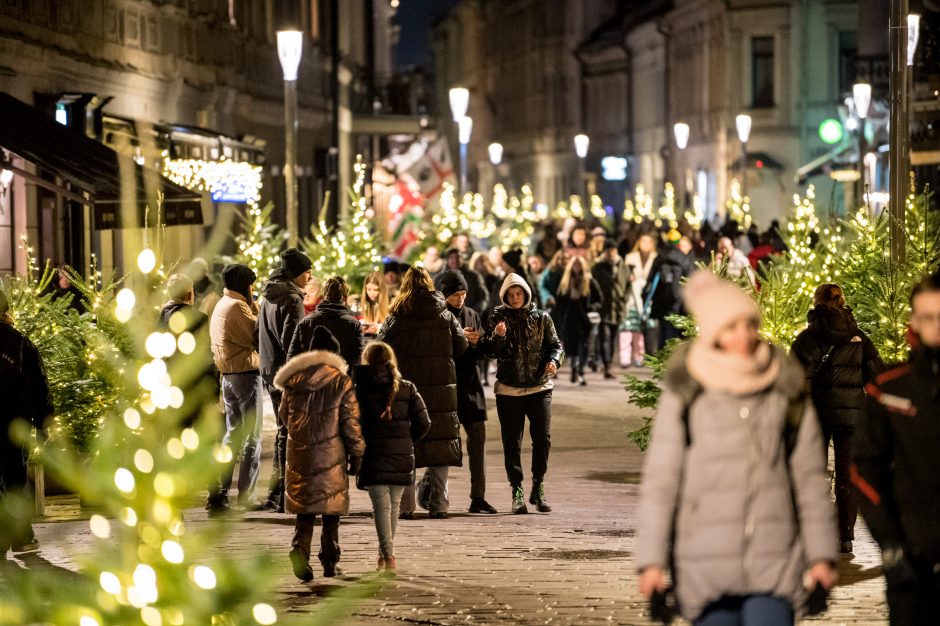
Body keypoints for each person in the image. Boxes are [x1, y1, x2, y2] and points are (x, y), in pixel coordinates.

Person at [636, 271, 838, 625]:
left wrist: (822, 555)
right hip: (705, 563)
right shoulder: (688, 387)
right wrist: (651, 562)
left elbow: (808, 477)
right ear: (713, 332)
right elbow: (661, 481)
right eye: (731, 327)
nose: (743, 336)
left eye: (749, 325)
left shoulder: (783, 382)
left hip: (775, 561)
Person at [852, 272, 940, 625]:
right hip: (911, 556)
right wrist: (890, 541)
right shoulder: (890, 388)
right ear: (914, 321)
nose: (936, 327)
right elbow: (864, 467)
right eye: (928, 317)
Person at [790, 283, 882, 554]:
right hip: (852, 415)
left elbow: (794, 379)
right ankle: (845, 536)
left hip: (816, 415)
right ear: (842, 302)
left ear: (816, 303)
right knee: (847, 474)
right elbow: (877, 377)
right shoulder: (859, 338)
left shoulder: (808, 338)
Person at [275, 326, 364, 582]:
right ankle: (329, 560)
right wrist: (357, 455)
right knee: (331, 511)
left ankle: (299, 550)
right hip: (331, 453)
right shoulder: (341, 381)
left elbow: (284, 417)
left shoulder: (292, 381)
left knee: (305, 511)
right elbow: (351, 423)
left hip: (300, 453)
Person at [378, 266, 468, 519]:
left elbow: (380, 347)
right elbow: (461, 347)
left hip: (408, 390)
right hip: (441, 390)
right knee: (440, 446)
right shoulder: (444, 315)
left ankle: (406, 506)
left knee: (408, 445)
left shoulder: (397, 316)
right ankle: (440, 504)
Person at [487, 273, 563, 514]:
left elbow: (556, 346)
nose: (516, 297)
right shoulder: (498, 317)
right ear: (505, 296)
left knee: (543, 438)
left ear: (527, 293)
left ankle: (538, 486)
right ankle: (517, 489)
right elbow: (490, 351)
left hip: (539, 387)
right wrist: (498, 337)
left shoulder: (542, 318)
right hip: (509, 390)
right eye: (511, 294)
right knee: (512, 442)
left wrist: (554, 361)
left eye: (519, 293)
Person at [353, 341, 431, 574]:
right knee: (393, 506)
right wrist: (407, 440)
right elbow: (424, 422)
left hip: (373, 454)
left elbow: (352, 422)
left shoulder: (360, 389)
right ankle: (385, 554)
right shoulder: (406, 387)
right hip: (401, 455)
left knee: (380, 507)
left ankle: (387, 554)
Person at [257, 248, 312, 512]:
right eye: (306, 273)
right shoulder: (291, 300)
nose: (310, 278)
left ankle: (275, 493)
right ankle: (283, 495)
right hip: (285, 373)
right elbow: (294, 340)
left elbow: (257, 333)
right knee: (289, 433)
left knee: (283, 430)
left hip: (268, 369)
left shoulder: (268, 296)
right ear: (295, 275)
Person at [440, 270, 498, 514]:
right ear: (445, 295)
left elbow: (483, 351)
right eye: (455, 295)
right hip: (447, 386)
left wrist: (479, 342)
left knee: (477, 442)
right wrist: (460, 339)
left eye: (463, 294)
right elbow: (439, 350)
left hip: (471, 386)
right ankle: (433, 493)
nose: (460, 299)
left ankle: (478, 496)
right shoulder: (439, 316)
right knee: (441, 445)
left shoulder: (472, 314)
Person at [0, 290, 53, 555]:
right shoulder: (20, 343)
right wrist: (43, 423)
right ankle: (21, 536)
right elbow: (39, 385)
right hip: (14, 423)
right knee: (16, 478)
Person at [207, 264, 263, 515]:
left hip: (228, 375)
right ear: (244, 284)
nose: (253, 289)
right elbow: (256, 336)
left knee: (232, 435)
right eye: (251, 284)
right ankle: (246, 496)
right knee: (251, 437)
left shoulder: (221, 303)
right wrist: (257, 309)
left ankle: (219, 491)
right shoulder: (238, 307)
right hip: (245, 374)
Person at [289, 276, 363, 369]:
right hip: (341, 380)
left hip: (312, 380)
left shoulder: (305, 322)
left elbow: (292, 360)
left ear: (324, 296)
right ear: (345, 298)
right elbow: (356, 362)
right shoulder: (354, 325)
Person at [553, 256, 602, 385]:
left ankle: (580, 372)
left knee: (584, 345)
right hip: (570, 318)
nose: (576, 266)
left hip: (584, 318)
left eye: (579, 264)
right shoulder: (565, 281)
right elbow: (559, 301)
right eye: (574, 264)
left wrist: (592, 307)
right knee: (572, 345)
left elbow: (599, 299)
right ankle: (574, 368)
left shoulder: (589, 281)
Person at [591, 240, 629, 378]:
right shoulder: (597, 267)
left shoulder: (623, 266)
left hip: (618, 308)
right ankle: (606, 365)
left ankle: (609, 363)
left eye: (613, 250)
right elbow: (591, 286)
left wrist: (625, 298)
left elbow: (628, 284)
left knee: (613, 338)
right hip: (604, 308)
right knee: (604, 337)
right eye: (608, 251)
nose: (610, 254)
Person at [622, 234, 659, 366]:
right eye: (643, 241)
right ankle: (627, 357)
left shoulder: (656, 257)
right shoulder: (630, 257)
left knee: (647, 327)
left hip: (650, 296)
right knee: (631, 327)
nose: (646, 244)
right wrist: (629, 277)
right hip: (634, 297)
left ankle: (644, 355)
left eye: (649, 242)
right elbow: (624, 275)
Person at [436, 247, 489, 317]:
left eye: (457, 257)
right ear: (447, 260)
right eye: (451, 257)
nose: (455, 260)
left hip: (470, 318)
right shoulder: (439, 279)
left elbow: (483, 297)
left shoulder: (474, 276)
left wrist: (472, 313)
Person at [360, 270, 390, 336]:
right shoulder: (366, 304)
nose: (372, 293)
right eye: (369, 289)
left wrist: (378, 329)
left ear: (382, 289)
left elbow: (393, 328)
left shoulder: (391, 304)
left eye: (376, 290)